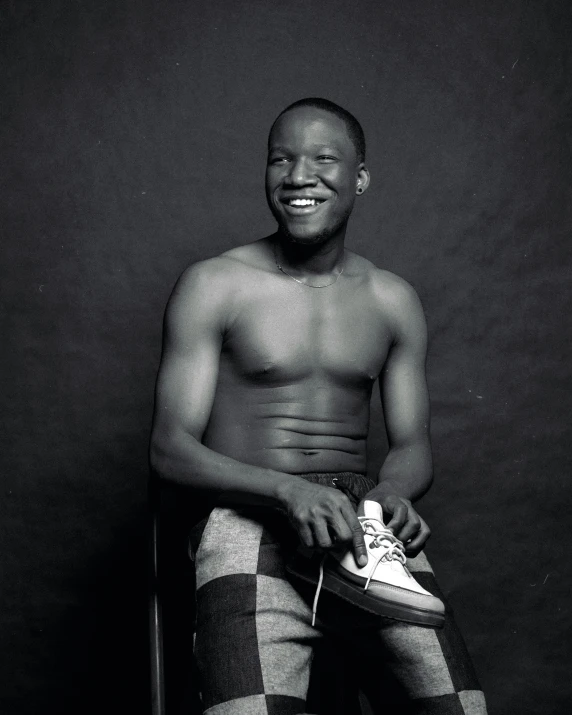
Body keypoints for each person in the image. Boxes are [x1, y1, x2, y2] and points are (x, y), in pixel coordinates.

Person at [150, 97, 487, 714]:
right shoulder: (213, 283)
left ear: (359, 177)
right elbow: (169, 449)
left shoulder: (393, 299)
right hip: (244, 518)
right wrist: (286, 491)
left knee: (455, 706)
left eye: (323, 160)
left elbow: (412, 446)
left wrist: (391, 496)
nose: (299, 176)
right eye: (282, 159)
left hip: (363, 528)